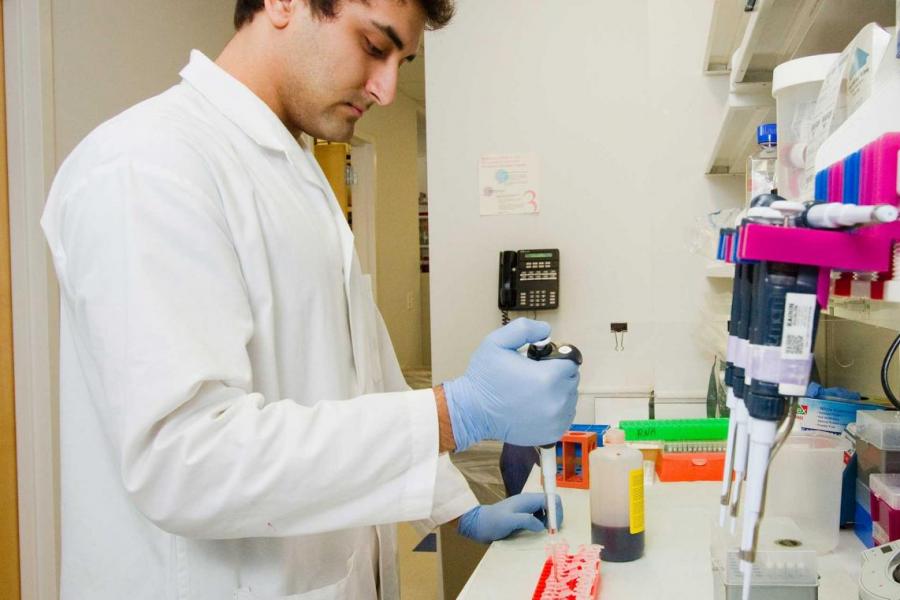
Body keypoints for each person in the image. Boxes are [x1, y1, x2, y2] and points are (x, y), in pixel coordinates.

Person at [40, 1, 580, 598]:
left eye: (402, 60)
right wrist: (455, 413)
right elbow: (184, 462)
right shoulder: (147, 167)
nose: (387, 88)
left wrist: (456, 506)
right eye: (375, 47)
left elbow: (364, 383)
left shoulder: (295, 175)